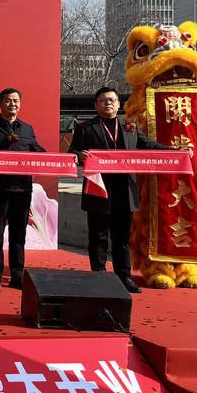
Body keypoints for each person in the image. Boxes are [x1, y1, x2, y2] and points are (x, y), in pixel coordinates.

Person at [69, 86, 171, 294]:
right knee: (98, 237)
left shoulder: (129, 126)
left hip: (125, 191)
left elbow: (149, 145)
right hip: (98, 189)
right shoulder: (86, 128)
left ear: (118, 104)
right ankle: (98, 275)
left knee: (122, 238)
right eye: (103, 100)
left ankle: (124, 277)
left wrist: (175, 152)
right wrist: (80, 155)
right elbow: (73, 153)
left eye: (112, 100)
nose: (108, 103)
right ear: (96, 105)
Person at [0, 88, 49, 291]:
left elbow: (38, 151)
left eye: (15, 101)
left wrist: (59, 160)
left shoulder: (27, 129)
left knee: (18, 235)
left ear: (20, 104)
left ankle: (17, 275)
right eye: (7, 100)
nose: (12, 104)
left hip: (22, 190)